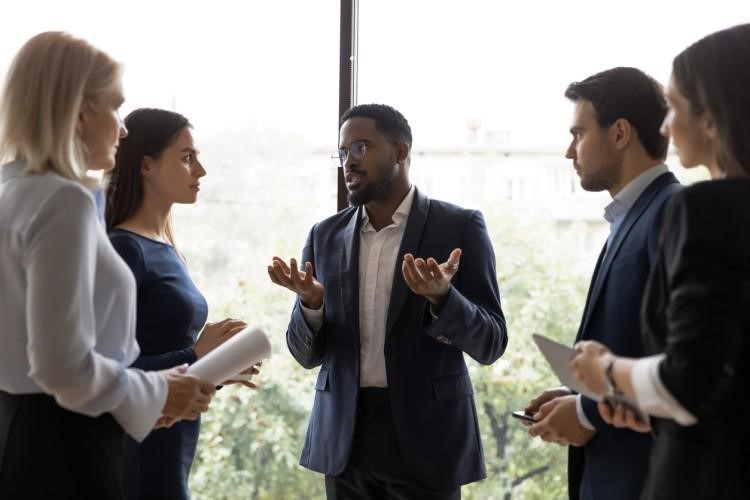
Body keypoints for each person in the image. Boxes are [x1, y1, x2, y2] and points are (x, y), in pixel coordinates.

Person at [0, 32, 215, 499]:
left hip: (17, 431)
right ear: (79, 112)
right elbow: (63, 369)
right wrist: (155, 393)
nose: (122, 129)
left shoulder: (12, 191)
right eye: (115, 109)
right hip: (65, 446)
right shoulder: (63, 200)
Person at [267, 103, 507, 499]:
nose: (349, 163)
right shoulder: (323, 235)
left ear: (401, 151)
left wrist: (444, 299)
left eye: (361, 148)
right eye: (343, 152)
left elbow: (492, 343)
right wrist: (311, 306)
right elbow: (306, 355)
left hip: (428, 440)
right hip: (344, 440)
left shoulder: (459, 227)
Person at [569, 23, 750, 500]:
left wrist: (608, 373)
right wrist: (649, 403)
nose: (665, 126)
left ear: (712, 116)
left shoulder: (702, 208)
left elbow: (691, 376)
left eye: (673, 107)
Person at [524, 67, 681, 500]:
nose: (568, 152)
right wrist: (576, 391)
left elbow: (682, 357)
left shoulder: (673, 214)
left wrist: (587, 410)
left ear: (620, 134)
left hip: (643, 478)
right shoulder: (629, 218)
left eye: (578, 134)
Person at [106, 107, 256, 500]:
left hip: (171, 442)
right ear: (147, 165)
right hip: (138, 447)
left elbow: (160, 354)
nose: (201, 171)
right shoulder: (125, 249)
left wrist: (214, 367)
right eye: (187, 157)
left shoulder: (163, 247)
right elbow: (104, 372)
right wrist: (195, 354)